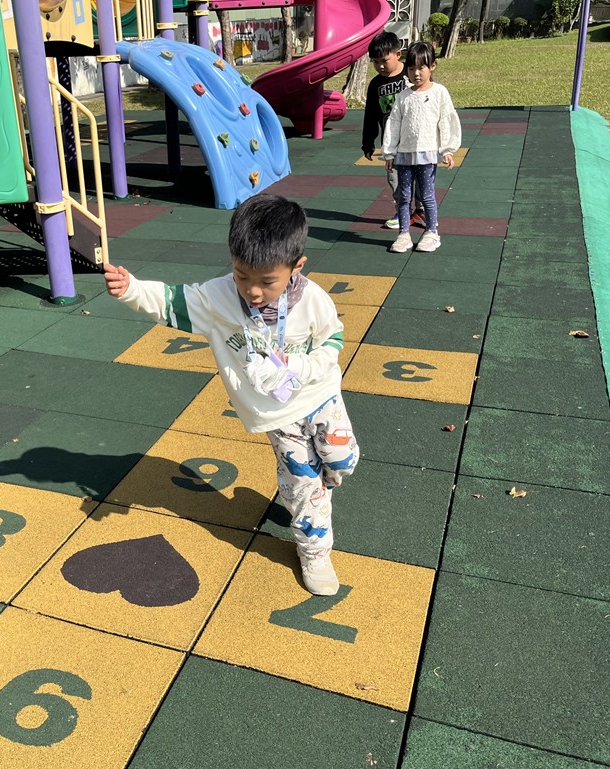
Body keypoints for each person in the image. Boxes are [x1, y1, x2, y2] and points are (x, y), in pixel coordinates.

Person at [102, 194, 359, 596]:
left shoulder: (312, 300)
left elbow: (333, 340)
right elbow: (171, 302)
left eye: (267, 282)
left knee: (341, 460)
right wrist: (131, 288)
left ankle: (314, 486)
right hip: (277, 412)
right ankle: (314, 548)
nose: (253, 291)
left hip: (320, 393)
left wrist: (303, 367)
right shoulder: (218, 297)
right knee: (304, 481)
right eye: (242, 276)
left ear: (296, 266)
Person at [382, 41, 462, 253]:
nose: (416, 73)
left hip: (427, 155)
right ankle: (404, 234)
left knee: (426, 195)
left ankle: (432, 232)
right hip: (404, 156)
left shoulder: (439, 92)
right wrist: (389, 153)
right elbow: (394, 123)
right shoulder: (403, 96)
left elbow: (446, 120)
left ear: (432, 66)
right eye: (411, 68)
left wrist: (447, 150)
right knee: (404, 196)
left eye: (421, 67)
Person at [360, 31, 424, 230]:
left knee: (421, 175)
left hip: (417, 139)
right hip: (392, 143)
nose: (380, 65)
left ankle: (421, 210)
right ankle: (403, 211)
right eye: (375, 61)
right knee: (395, 178)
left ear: (398, 54)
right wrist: (368, 142)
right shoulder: (375, 85)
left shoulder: (412, 74)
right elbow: (370, 115)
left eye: (384, 60)